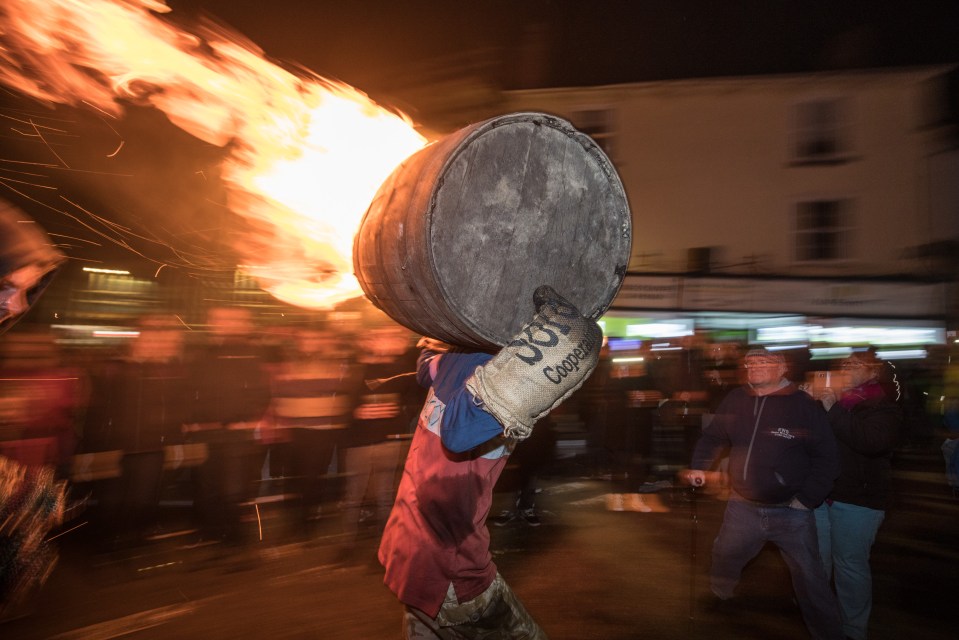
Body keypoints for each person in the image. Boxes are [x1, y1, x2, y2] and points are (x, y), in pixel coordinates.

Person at [378, 286, 601, 639]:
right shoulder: (491, 373)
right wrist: (569, 335)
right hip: (450, 572)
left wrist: (432, 342)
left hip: (406, 551)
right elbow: (460, 432)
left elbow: (424, 369)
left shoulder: (453, 359)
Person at [684, 347, 843, 640]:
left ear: (782, 368)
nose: (753, 367)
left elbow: (827, 457)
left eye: (762, 362)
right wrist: (699, 467)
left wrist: (807, 500)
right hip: (742, 506)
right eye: (750, 362)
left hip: (790, 512)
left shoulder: (803, 406)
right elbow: (713, 437)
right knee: (724, 555)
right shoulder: (737, 399)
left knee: (810, 579)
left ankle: (830, 634)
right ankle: (722, 595)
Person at [812, 351, 901, 640]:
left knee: (850, 567)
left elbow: (871, 442)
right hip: (822, 496)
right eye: (845, 363)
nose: (847, 367)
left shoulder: (882, 406)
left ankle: (853, 631)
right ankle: (823, 625)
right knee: (816, 564)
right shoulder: (833, 401)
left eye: (856, 364)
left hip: (859, 501)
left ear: (873, 373)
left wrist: (831, 409)